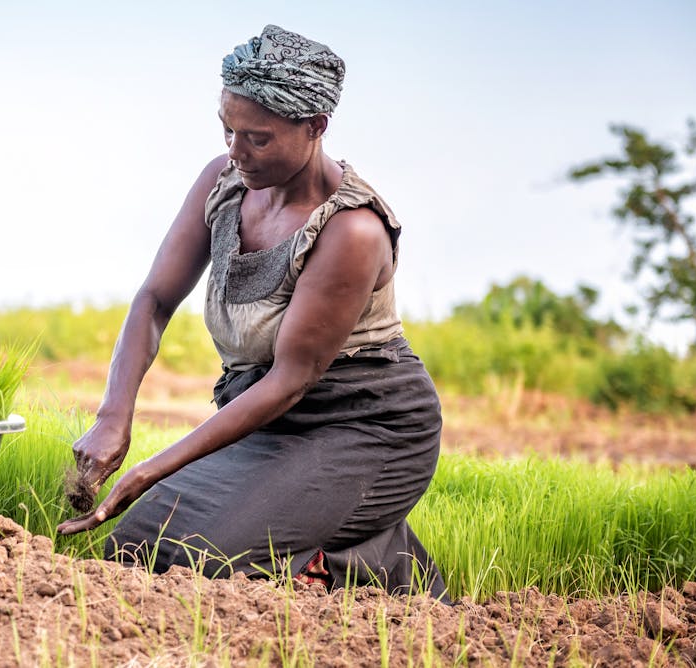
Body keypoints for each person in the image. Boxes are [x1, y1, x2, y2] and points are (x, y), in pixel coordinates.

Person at [56, 24, 447, 599]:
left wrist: (151, 468)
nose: (236, 151)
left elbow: (291, 380)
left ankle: (375, 557)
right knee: (137, 550)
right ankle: (320, 514)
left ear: (315, 127)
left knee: (211, 563)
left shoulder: (351, 230)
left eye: (258, 139)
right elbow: (154, 300)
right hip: (268, 420)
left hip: (363, 425)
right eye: (228, 129)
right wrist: (114, 415)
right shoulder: (224, 183)